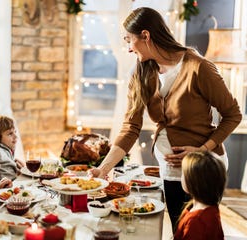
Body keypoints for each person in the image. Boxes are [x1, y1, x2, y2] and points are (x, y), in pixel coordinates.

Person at [90, 7, 242, 232]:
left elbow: (233, 114)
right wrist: (103, 169)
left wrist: (201, 150)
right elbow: (131, 126)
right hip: (170, 169)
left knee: (199, 230)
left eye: (129, 40)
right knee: (179, 229)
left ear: (146, 36)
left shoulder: (199, 68)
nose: (129, 48)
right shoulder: (141, 73)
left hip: (203, 170)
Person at [174, 151, 226, 240]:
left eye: (183, 173)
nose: (181, 177)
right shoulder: (208, 207)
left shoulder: (196, 222)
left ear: (194, 182)